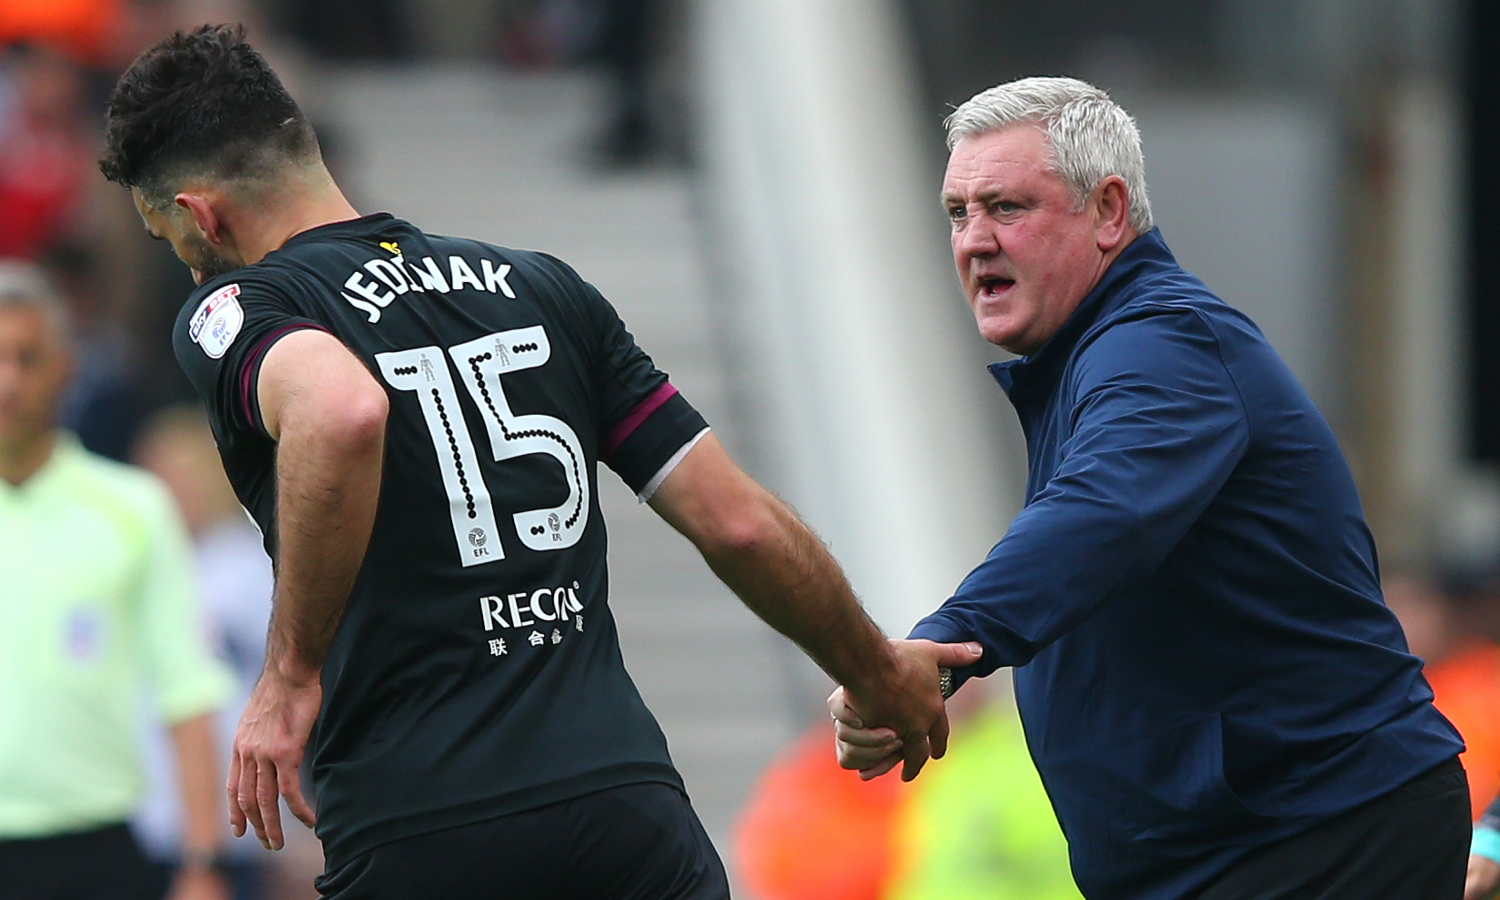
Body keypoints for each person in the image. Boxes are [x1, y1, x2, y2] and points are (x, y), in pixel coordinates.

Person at [98, 24, 969, 900]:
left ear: (198, 214)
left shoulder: (249, 307)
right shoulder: (542, 286)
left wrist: (287, 678)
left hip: (423, 821)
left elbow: (342, 409)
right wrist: (875, 671)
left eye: (167, 237)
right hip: (622, 805)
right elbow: (736, 521)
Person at [829, 76, 1470, 900]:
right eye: (959, 213)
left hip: (1315, 837)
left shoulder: (1161, 342)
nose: (974, 240)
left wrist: (946, 649)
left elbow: (1104, 512)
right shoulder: (1094, 358)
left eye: (1007, 208)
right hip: (1247, 846)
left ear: (1108, 211)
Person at [0, 261, 233, 900]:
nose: (8, 381)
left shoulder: (132, 508)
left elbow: (187, 687)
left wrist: (203, 861)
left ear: (65, 367)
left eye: (27, 357)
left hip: (96, 851)